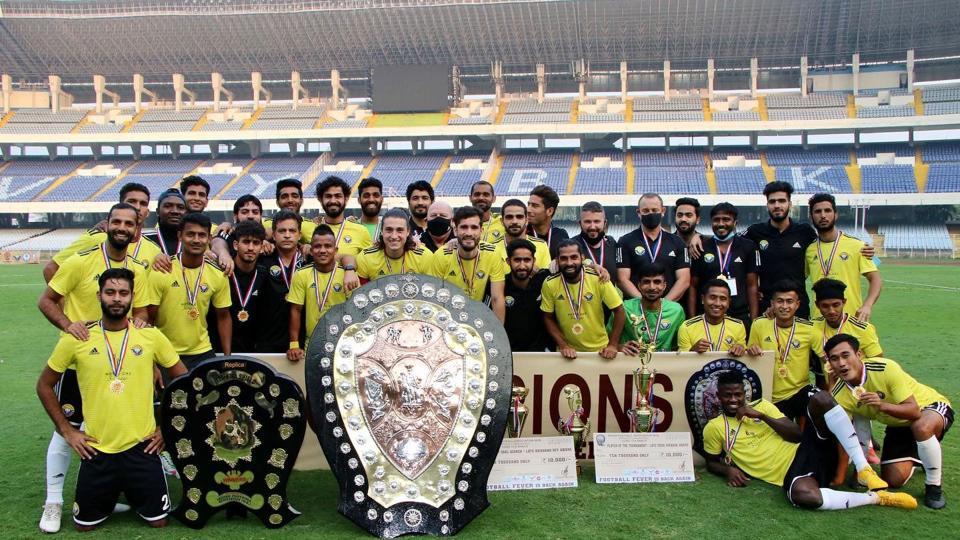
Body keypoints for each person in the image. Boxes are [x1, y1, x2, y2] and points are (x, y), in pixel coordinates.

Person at [36, 269, 188, 532]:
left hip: (141, 448)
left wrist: (166, 428)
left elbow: (184, 381)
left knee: (159, 522)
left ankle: (127, 490)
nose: (117, 299)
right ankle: (110, 494)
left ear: (131, 298)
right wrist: (68, 431)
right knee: (84, 526)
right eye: (110, 292)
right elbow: (44, 385)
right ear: (99, 296)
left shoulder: (150, 335)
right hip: (97, 449)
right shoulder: (78, 337)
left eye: (123, 293)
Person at [35, 203, 152, 533]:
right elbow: (46, 299)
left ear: (135, 229)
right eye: (117, 221)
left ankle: (103, 495)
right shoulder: (80, 261)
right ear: (107, 224)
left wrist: (140, 344)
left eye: (129, 223)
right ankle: (54, 501)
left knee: (111, 430)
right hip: (80, 364)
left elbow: (141, 314)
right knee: (67, 430)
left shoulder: (137, 270)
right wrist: (69, 324)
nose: (122, 227)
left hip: (121, 366)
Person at [704, 371, 915, 511]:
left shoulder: (762, 406)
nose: (733, 400)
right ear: (719, 397)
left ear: (744, 393)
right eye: (727, 396)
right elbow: (711, 461)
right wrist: (728, 471)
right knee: (804, 496)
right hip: (795, 473)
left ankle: (863, 468)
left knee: (821, 399)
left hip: (807, 449)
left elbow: (796, 434)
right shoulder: (714, 427)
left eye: (737, 394)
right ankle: (877, 498)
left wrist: (762, 416)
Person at [826, 334, 952, 509]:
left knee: (921, 427)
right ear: (829, 364)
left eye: (846, 355)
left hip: (929, 408)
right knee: (893, 479)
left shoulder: (885, 368)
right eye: (834, 359)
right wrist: (855, 470)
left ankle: (934, 487)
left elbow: (914, 411)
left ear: (859, 354)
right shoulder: (840, 393)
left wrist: (882, 406)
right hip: (898, 424)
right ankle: (923, 455)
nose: (841, 363)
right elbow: (850, 432)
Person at [744, 182, 874, 320]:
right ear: (767, 205)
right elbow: (734, 249)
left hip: (798, 308)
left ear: (790, 203)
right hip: (767, 307)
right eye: (772, 201)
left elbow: (826, 243)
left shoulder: (804, 231)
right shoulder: (755, 232)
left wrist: (867, 249)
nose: (777, 205)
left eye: (782, 201)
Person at [145, 212, 232, 365]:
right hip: (165, 352)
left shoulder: (218, 275)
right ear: (180, 236)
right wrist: (151, 360)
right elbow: (149, 318)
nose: (196, 240)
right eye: (191, 234)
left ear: (209, 239)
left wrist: (227, 357)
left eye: (202, 235)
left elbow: (223, 316)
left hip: (203, 352)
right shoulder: (162, 270)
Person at [44, 182, 159, 281]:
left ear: (148, 212)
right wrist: (66, 306)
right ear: (120, 205)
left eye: (143, 204)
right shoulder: (96, 238)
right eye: (132, 201)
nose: (138, 207)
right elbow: (51, 269)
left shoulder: (154, 250)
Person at [746, 279, 821, 420]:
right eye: (780, 301)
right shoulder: (759, 325)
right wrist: (751, 350)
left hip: (799, 391)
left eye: (789, 301)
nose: (785, 306)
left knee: (822, 401)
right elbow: (750, 355)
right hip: (770, 394)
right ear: (772, 304)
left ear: (797, 304)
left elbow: (826, 359)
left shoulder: (809, 329)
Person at [542, 239, 624, 359]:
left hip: (600, 349)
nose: (569, 263)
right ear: (557, 261)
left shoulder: (598, 278)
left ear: (582, 258)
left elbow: (619, 311)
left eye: (574, 257)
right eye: (564, 258)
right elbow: (547, 317)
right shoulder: (550, 283)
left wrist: (613, 344)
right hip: (567, 353)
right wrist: (563, 345)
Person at [806, 193, 882, 321]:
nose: (823, 215)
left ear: (836, 215)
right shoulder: (809, 249)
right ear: (811, 216)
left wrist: (867, 305)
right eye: (818, 211)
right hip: (818, 321)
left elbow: (876, 280)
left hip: (850, 319)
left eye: (827, 210)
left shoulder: (857, 245)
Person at [688, 202, 759, 326]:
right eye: (716, 220)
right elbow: (693, 286)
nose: (721, 224)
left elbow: (752, 285)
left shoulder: (748, 247)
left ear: (735, 222)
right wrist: (693, 320)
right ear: (711, 222)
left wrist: (753, 321)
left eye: (726, 219)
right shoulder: (700, 247)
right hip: (707, 316)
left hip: (739, 315)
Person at [429, 206, 505, 322]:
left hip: (480, 318)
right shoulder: (441, 255)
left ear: (481, 231)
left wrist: (498, 335)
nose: (469, 233)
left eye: (474, 227)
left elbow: (497, 298)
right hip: (450, 319)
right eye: (464, 227)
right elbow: (434, 299)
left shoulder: (492, 253)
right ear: (455, 230)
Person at [286, 225, 350, 361]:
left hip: (343, 342)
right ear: (311, 249)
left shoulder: (346, 275)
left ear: (335, 250)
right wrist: (294, 344)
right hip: (312, 343)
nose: (322, 250)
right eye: (317, 246)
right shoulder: (301, 274)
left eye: (328, 246)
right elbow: (295, 310)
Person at [616, 193, 690, 301]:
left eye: (655, 210)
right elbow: (622, 279)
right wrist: (645, 304)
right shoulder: (625, 241)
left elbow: (684, 280)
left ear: (663, 211)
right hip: (636, 310)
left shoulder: (677, 242)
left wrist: (664, 305)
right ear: (638, 212)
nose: (650, 214)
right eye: (646, 211)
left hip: (668, 309)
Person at [211, 220, 268, 353]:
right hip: (219, 349)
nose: (250, 248)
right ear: (236, 245)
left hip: (252, 350)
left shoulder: (264, 275)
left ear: (261, 247)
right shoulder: (221, 270)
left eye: (256, 243)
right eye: (246, 242)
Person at [255, 210, 308, 353]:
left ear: (299, 235)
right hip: (268, 339)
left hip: (301, 339)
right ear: (273, 235)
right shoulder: (262, 259)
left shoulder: (308, 261)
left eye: (292, 230)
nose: (287, 235)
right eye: (282, 231)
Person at [615, 263, 685, 352]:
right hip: (631, 361)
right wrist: (619, 347)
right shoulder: (625, 308)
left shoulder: (676, 310)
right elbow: (607, 341)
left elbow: (679, 346)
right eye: (646, 282)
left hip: (664, 363)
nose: (652, 287)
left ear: (664, 286)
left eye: (657, 282)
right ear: (639, 286)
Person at [811, 278, 883, 361]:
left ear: (844, 302)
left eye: (836, 305)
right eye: (825, 306)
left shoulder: (862, 329)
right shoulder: (812, 327)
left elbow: (879, 362)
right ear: (817, 305)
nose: (831, 311)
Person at [356, 208, 433, 281]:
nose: (394, 236)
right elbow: (361, 293)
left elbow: (431, 289)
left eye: (400, 230)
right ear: (382, 231)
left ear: (408, 232)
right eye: (389, 230)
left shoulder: (424, 256)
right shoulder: (366, 257)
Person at [503, 239, 553, 352]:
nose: (522, 265)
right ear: (508, 261)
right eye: (517, 260)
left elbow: (572, 266)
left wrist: (595, 267)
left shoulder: (545, 280)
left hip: (539, 354)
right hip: (509, 353)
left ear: (534, 261)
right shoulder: (499, 286)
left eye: (527, 260)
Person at [678, 279, 747, 356]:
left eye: (723, 299)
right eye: (712, 297)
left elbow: (743, 358)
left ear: (728, 303)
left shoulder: (738, 326)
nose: (717, 303)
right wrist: (693, 351)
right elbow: (682, 363)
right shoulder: (687, 327)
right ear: (703, 299)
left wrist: (740, 349)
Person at [309, 176, 372, 258]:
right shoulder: (309, 228)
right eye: (328, 196)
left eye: (338, 196)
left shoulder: (361, 231)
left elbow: (369, 263)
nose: (333, 201)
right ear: (320, 199)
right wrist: (303, 245)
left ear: (346, 199)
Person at [209, 194, 264, 276]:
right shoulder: (227, 233)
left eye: (255, 212)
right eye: (245, 212)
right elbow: (217, 242)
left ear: (260, 216)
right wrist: (223, 253)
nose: (250, 216)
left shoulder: (267, 235)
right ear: (235, 216)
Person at [491, 199, 551, 271]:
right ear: (502, 221)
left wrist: (537, 274)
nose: (514, 221)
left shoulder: (541, 245)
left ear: (526, 220)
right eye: (509, 217)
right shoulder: (492, 249)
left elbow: (546, 279)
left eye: (519, 217)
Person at [572, 201, 618, 279]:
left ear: (605, 223)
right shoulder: (571, 246)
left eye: (597, 221)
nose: (592, 227)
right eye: (587, 222)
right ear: (580, 223)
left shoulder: (612, 243)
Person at [142, 189, 187, 265]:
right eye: (168, 206)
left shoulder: (193, 241)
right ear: (157, 212)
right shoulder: (143, 238)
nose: (175, 211)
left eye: (180, 207)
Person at [263, 178, 313, 243]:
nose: (290, 200)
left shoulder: (312, 227)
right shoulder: (265, 226)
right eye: (284, 197)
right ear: (277, 202)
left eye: (294, 196)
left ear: (301, 201)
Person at [527, 184, 569, 258]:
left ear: (549, 211)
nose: (528, 209)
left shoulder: (561, 236)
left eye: (535, 206)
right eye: (528, 204)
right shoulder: (522, 235)